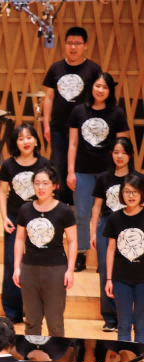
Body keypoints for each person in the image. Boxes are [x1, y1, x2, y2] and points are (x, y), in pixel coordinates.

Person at [67, 72, 130, 273]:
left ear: (109, 90)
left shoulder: (117, 113)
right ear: (91, 87)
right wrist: (70, 171)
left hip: (110, 173)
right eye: (97, 85)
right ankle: (81, 254)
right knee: (82, 213)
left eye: (104, 87)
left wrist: (122, 173)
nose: (100, 90)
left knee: (112, 213)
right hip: (83, 171)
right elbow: (73, 144)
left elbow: (124, 146)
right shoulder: (78, 111)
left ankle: (109, 256)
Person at [14, 167, 77, 337]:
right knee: (32, 321)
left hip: (55, 270)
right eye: (37, 183)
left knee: (55, 322)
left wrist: (70, 270)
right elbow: (20, 239)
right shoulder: (25, 209)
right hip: (29, 269)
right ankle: (32, 360)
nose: (40, 187)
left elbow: (72, 241)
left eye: (45, 183)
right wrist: (17, 267)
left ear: (54, 186)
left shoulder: (64, 210)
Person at [0, 124, 50, 324]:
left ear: (36, 140)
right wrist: (4, 217)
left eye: (29, 137)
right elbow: (2, 192)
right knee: (12, 264)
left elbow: (52, 191)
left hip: (40, 220)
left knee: (39, 266)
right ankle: (12, 312)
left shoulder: (44, 164)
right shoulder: (8, 165)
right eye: (20, 138)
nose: (25, 141)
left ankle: (38, 310)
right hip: (15, 219)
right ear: (15, 143)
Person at [42, 26, 102, 205]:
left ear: (85, 45)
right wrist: (46, 124)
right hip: (59, 127)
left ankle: (82, 204)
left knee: (81, 167)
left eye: (77, 43)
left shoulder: (93, 69)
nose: (73, 47)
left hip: (85, 130)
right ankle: (62, 204)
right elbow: (49, 97)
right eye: (69, 43)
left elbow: (99, 97)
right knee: (60, 166)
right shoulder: (56, 68)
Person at [91, 138, 135, 332]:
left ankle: (128, 316)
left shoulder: (137, 179)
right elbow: (97, 207)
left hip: (131, 228)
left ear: (130, 155)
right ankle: (110, 317)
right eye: (116, 152)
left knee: (130, 270)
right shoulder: (103, 178)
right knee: (105, 271)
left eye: (123, 153)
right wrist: (93, 232)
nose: (119, 156)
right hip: (106, 227)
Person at [103, 173, 144, 342]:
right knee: (124, 324)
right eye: (127, 192)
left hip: (143, 279)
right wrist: (109, 279)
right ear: (122, 194)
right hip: (120, 279)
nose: (131, 196)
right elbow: (111, 250)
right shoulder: (114, 218)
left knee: (141, 325)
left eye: (135, 192)